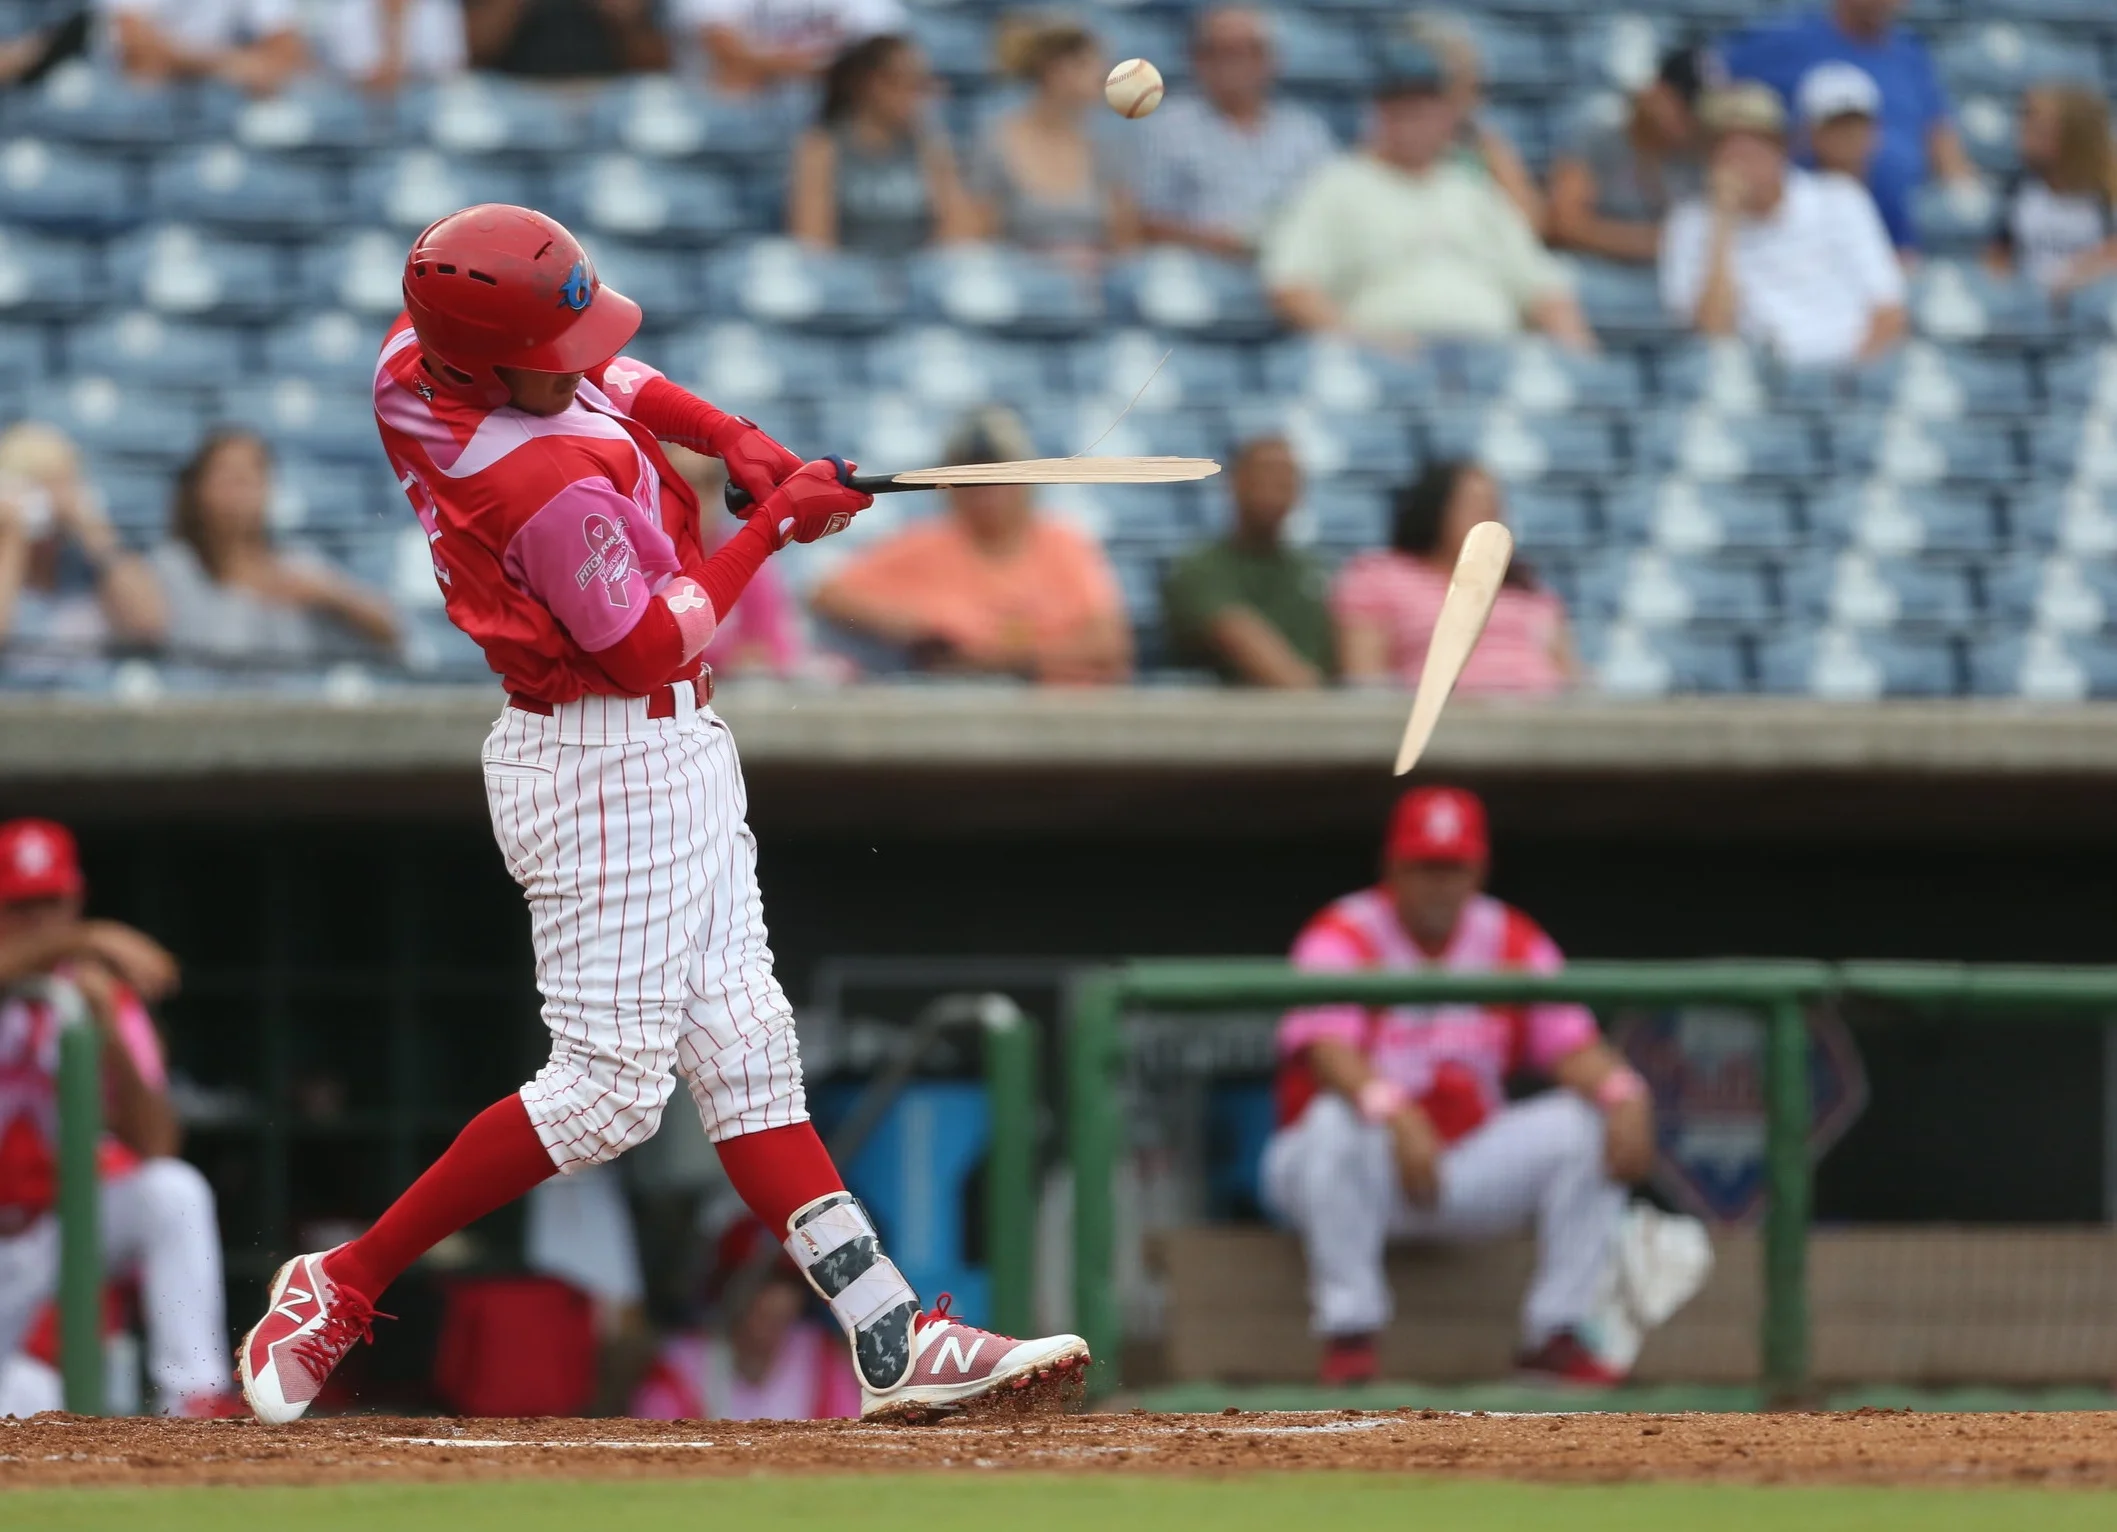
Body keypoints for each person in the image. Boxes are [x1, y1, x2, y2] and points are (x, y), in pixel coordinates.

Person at [237, 205, 1088, 1425]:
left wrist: (731, 439)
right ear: (483, 364)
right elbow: (644, 643)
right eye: (549, 352)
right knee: (605, 1092)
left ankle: (891, 1332)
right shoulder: (529, 482)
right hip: (604, 757)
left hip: (665, 749)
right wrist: (770, 526)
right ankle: (342, 1279)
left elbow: (614, 375)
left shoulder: (413, 360)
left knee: (747, 1050)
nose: (578, 361)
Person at [1260, 786, 1713, 1386]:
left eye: (1453, 868)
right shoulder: (1345, 930)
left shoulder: (1509, 937)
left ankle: (1555, 1334)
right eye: (1425, 867)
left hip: (1460, 1164)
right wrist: (1394, 1111)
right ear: (1392, 867)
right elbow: (1326, 1050)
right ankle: (1350, 1334)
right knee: (1335, 1122)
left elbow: (1572, 1045)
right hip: (1358, 1166)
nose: (1439, 885)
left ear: (1479, 870)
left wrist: (1625, 1091)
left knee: (1590, 1120)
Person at [0, 819, 239, 1418]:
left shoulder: (93, 994)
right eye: (20, 906)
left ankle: (194, 1396)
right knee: (27, 1401)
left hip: (50, 1230)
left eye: (50, 903)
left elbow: (157, 1143)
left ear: (74, 898)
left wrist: (108, 1034)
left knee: (172, 1190)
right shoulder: (43, 969)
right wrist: (88, 938)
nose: (38, 920)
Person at [1261, 41, 1594, 350]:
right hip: (1386, 357)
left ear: (1447, 118)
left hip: (1489, 356)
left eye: (1425, 109)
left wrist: (1580, 358)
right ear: (1379, 114)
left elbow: (1542, 288)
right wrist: (1361, 341)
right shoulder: (1335, 184)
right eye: (1401, 109)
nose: (1413, 122)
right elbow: (1291, 286)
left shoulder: (1472, 189)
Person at [808, 407, 1133, 683]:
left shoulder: (1063, 544)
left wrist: (998, 655)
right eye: (970, 479)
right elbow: (827, 594)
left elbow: (1108, 648)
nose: (985, 492)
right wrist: (919, 624)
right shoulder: (925, 544)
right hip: (958, 712)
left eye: (997, 476)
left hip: (1059, 713)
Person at [1659, 83, 1907, 369]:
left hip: (1848, 371)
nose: (1740, 161)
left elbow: (1889, 312)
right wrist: (1723, 222)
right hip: (1753, 378)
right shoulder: (1689, 222)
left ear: (1779, 148)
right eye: (1725, 149)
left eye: (1754, 145)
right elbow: (1711, 330)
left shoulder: (1840, 198)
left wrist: (1850, 379)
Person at [1718, 0, 1977, 250]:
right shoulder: (1786, 42)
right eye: (1840, 128)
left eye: (1859, 128)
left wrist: (1966, 202)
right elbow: (1720, 89)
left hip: (1896, 223)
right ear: (1811, 132)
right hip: (1802, 229)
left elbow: (1941, 136)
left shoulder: (1912, 55)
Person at [148, 430, 402, 669]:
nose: (239, 491)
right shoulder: (173, 567)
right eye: (225, 477)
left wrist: (330, 596)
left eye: (250, 477)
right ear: (198, 489)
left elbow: (392, 633)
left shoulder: (298, 566)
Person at [1335, 461, 1575, 696]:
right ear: (1435, 510)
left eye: (1493, 510)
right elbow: (1366, 681)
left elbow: (1569, 675)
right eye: (1473, 508)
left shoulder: (1528, 589)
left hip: (1539, 714)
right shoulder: (1379, 578)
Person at [1135, 6, 1336, 259]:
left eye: (1248, 51)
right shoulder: (1167, 127)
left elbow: (1330, 213)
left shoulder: (1304, 131)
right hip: (1196, 261)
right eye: (1219, 52)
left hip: (1287, 262)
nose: (1233, 64)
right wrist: (1215, 241)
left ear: (1270, 60)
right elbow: (1143, 220)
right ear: (1197, 60)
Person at [632, 1215, 861, 1419]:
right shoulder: (681, 1364)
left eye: (789, 1283)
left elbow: (847, 1441)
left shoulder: (820, 1355)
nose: (775, 1299)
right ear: (726, 1288)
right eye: (759, 1284)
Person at [1160, 434, 1333, 687]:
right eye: (1263, 476)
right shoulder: (1201, 569)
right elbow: (1251, 650)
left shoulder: (1315, 570)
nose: (1273, 490)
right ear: (1234, 482)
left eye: (1285, 480)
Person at [788, 34, 977, 257]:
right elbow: (813, 239)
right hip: (846, 269)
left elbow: (957, 228)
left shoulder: (931, 145)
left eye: (923, 85)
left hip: (918, 269)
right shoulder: (822, 146)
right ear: (871, 85)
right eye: (908, 84)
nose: (918, 97)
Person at [968, 20, 1138, 260]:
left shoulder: (1107, 145)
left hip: (1096, 275)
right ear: (1055, 70)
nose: (1103, 75)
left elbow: (1126, 241)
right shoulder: (997, 141)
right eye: (1088, 64)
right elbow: (978, 234)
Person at [0, 423, 163, 666]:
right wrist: (12, 539)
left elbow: (149, 626)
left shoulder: (86, 560)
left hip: (92, 688)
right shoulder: (8, 557)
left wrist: (94, 531)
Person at [1547, 46, 1710, 264]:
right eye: (1685, 105)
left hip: (1669, 275)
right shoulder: (1597, 135)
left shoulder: (1701, 153)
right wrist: (1657, 242)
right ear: (1658, 92)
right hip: (1597, 269)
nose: (1693, 119)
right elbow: (1563, 225)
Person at [663, 445, 810, 679]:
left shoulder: (746, 554)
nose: (692, 494)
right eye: (677, 482)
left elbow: (770, 652)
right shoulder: (636, 561)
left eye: (706, 482)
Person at [1407, 11, 1543, 232]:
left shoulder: (1482, 141)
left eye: (1475, 84)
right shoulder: (1399, 149)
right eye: (1463, 83)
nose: (1475, 99)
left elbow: (1528, 221)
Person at [1992, 83, 2117, 299]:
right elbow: (1997, 257)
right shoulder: (2018, 189)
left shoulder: (2105, 193)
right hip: (2028, 304)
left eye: (2038, 128)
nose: (2023, 134)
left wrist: (2074, 275)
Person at [678, 0, 903, 98]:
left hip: (829, 116)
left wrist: (768, 65)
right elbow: (728, 56)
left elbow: (884, 51)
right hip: (733, 117)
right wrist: (830, 68)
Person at [96, 0, 309, 94]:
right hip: (136, 103)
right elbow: (137, 49)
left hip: (222, 103)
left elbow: (286, 52)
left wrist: (174, 60)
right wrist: (233, 64)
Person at [464, 0, 668, 78]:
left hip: (608, 100)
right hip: (514, 98)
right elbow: (473, 51)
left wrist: (625, 18)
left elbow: (659, 65)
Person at [306, 0, 466, 92]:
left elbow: (449, 71)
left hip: (423, 103)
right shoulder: (347, 13)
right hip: (358, 106)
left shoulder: (438, 12)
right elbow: (348, 73)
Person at [1799, 60, 1881, 187]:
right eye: (1836, 126)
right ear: (1810, 132)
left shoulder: (1895, 191)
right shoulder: (1793, 192)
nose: (1850, 136)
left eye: (1857, 125)